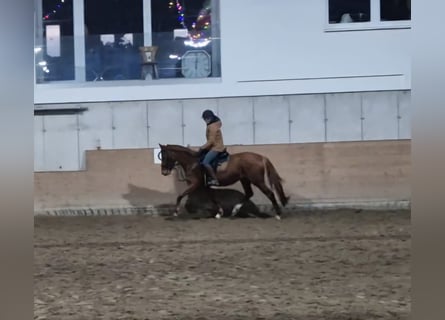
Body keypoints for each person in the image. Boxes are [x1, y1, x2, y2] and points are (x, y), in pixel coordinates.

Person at [198, 109, 225, 186]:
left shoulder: (212, 126)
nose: (205, 120)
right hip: (213, 146)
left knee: (205, 162)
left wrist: (202, 147)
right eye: (204, 119)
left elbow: (211, 141)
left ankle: (214, 179)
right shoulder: (213, 125)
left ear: (210, 118)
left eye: (206, 118)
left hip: (216, 148)